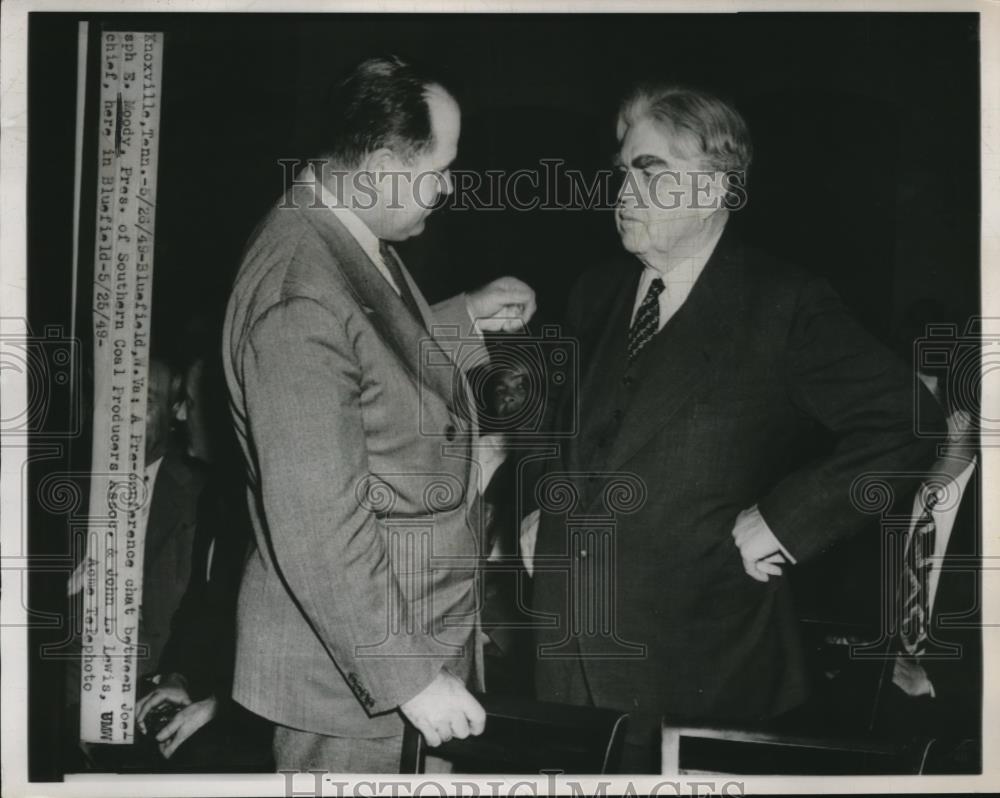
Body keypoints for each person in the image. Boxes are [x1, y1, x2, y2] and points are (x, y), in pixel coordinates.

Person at [525, 84, 944, 772]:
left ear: (715, 187)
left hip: (701, 663)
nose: (622, 189)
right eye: (622, 169)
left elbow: (909, 422)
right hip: (567, 654)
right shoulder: (595, 291)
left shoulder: (783, 304)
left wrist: (787, 521)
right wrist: (549, 498)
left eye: (649, 170)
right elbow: (561, 424)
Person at [222, 55, 535, 773]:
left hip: (393, 648)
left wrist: (461, 317)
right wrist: (411, 679)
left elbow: (370, 352)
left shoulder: (340, 232)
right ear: (387, 164)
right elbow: (316, 524)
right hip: (357, 681)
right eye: (439, 170)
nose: (448, 188)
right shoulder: (298, 292)